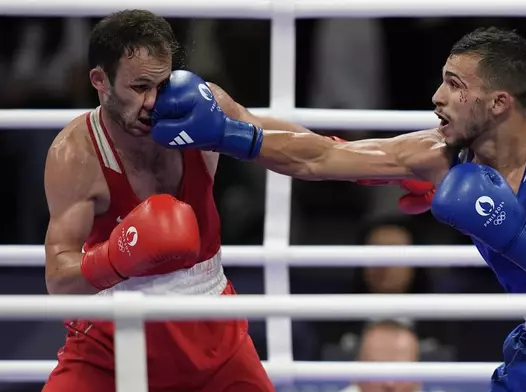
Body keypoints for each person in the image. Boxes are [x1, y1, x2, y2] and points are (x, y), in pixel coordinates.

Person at [151, 26, 526, 391]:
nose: (438, 97)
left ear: (498, 103)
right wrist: (235, 125)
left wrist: (507, 228)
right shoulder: (442, 155)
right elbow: (324, 157)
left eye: (455, 85)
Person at [42, 9, 432, 392]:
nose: (153, 102)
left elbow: (310, 154)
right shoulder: (77, 154)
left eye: (161, 85)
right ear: (100, 81)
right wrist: (117, 256)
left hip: (211, 330)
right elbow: (59, 280)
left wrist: (395, 171)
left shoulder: (199, 107)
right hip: (108, 335)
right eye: (139, 88)